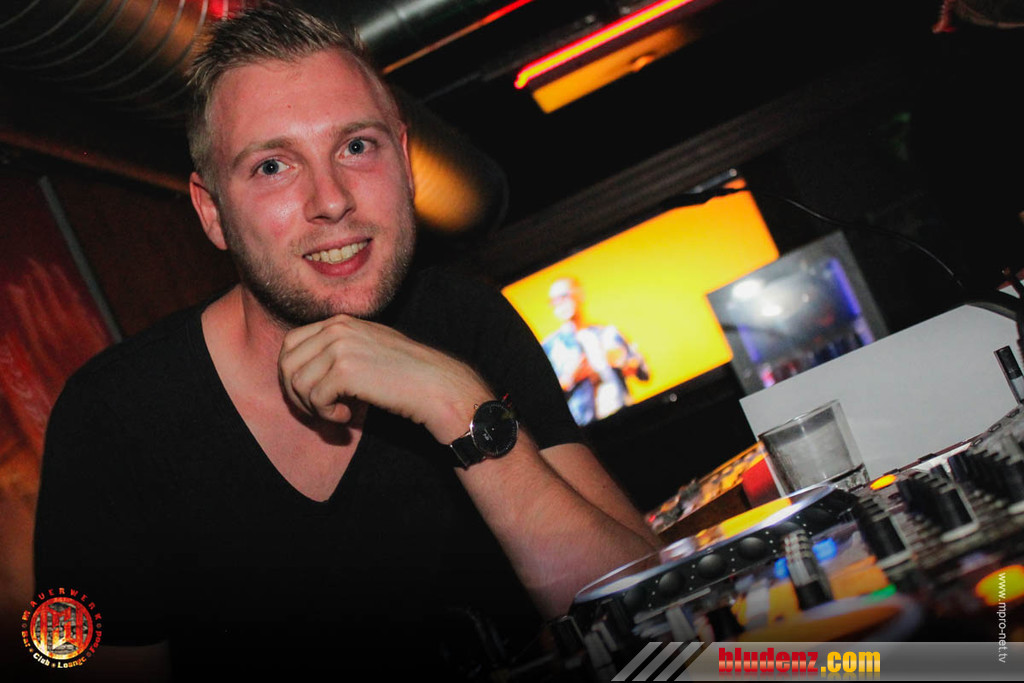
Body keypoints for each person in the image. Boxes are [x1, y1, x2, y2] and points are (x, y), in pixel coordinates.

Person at [32, 4, 660, 679]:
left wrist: (455, 403)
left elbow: (646, 614)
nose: (331, 199)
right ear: (212, 212)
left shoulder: (466, 321)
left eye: (356, 147)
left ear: (406, 164)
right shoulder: (114, 416)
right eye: (273, 165)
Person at [542, 277, 650, 425]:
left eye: (564, 296)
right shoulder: (549, 347)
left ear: (580, 295)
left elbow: (644, 372)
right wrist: (569, 379)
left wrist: (626, 363)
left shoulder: (608, 334)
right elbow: (542, 400)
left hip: (624, 416)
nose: (560, 304)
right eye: (554, 301)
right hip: (584, 427)